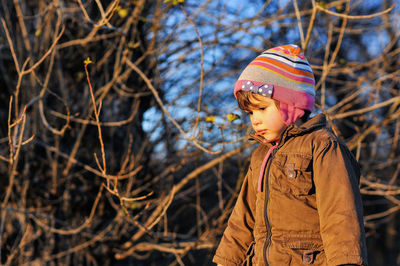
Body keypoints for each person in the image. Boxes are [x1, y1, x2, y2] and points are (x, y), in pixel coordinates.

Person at [213, 44, 368, 265]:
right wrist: (227, 260)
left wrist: (346, 261)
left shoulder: (322, 147)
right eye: (250, 112)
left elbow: (340, 214)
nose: (254, 119)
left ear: (291, 105)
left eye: (262, 109)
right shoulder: (261, 155)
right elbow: (243, 217)